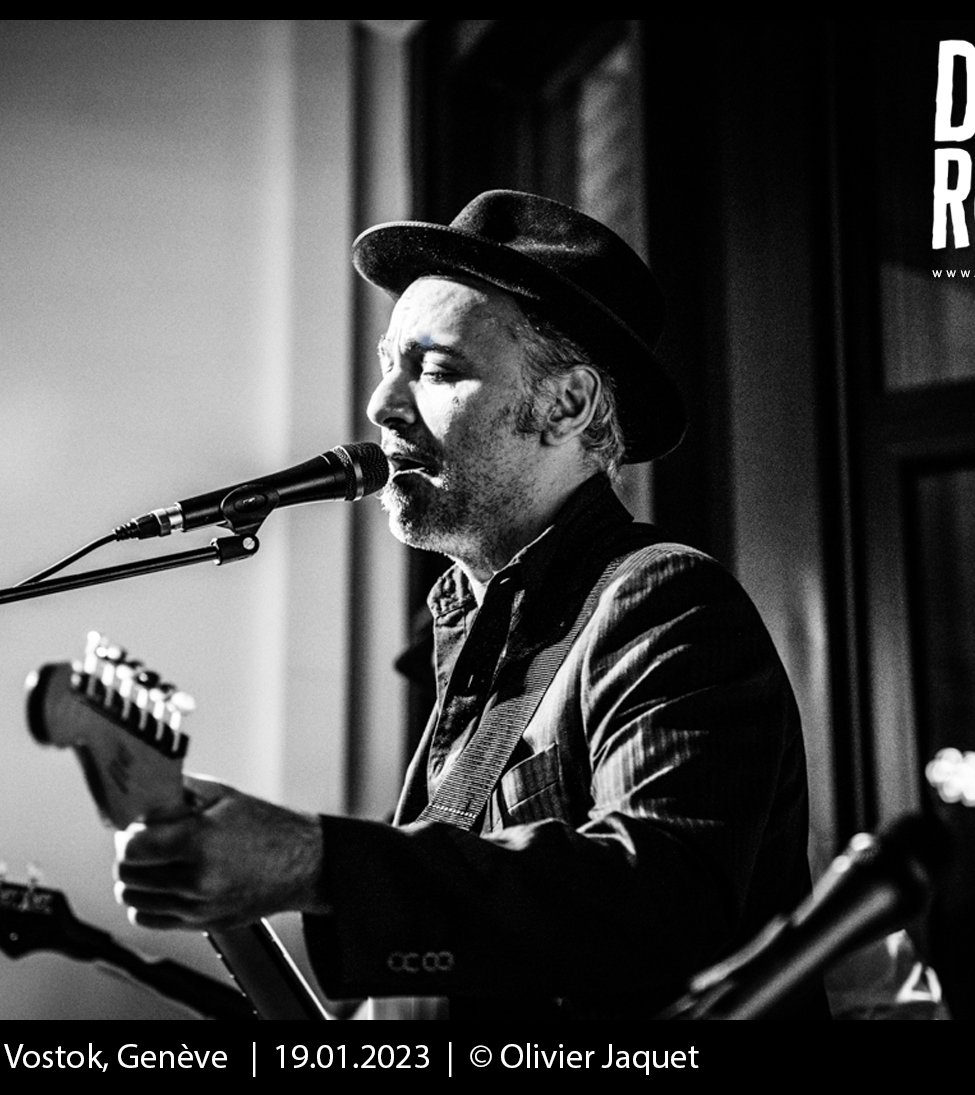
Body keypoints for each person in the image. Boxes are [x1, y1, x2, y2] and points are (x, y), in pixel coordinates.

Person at [113, 190, 819, 1018]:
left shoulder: (662, 604)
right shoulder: (471, 627)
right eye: (389, 363)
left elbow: (663, 905)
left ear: (566, 404)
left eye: (437, 370)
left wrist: (314, 860)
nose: (381, 405)